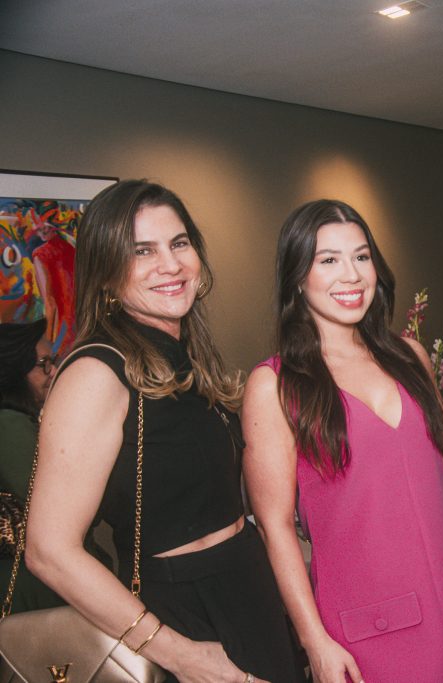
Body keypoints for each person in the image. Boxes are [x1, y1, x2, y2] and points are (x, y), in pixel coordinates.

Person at [24, 180, 304, 682]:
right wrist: (184, 656)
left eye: (178, 243)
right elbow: (49, 551)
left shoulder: (181, 359)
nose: (170, 265)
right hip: (188, 614)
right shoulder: (96, 371)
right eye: (141, 252)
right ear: (106, 276)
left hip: (246, 587)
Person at [243, 199, 443, 683]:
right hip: (369, 628)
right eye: (328, 260)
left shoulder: (411, 356)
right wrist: (313, 640)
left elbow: (434, 471)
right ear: (298, 276)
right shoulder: (275, 385)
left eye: (362, 257)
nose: (352, 275)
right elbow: (275, 526)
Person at [0, 318, 64, 613]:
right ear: (16, 369)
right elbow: (52, 505)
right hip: (28, 594)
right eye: (45, 363)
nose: (54, 372)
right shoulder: (9, 425)